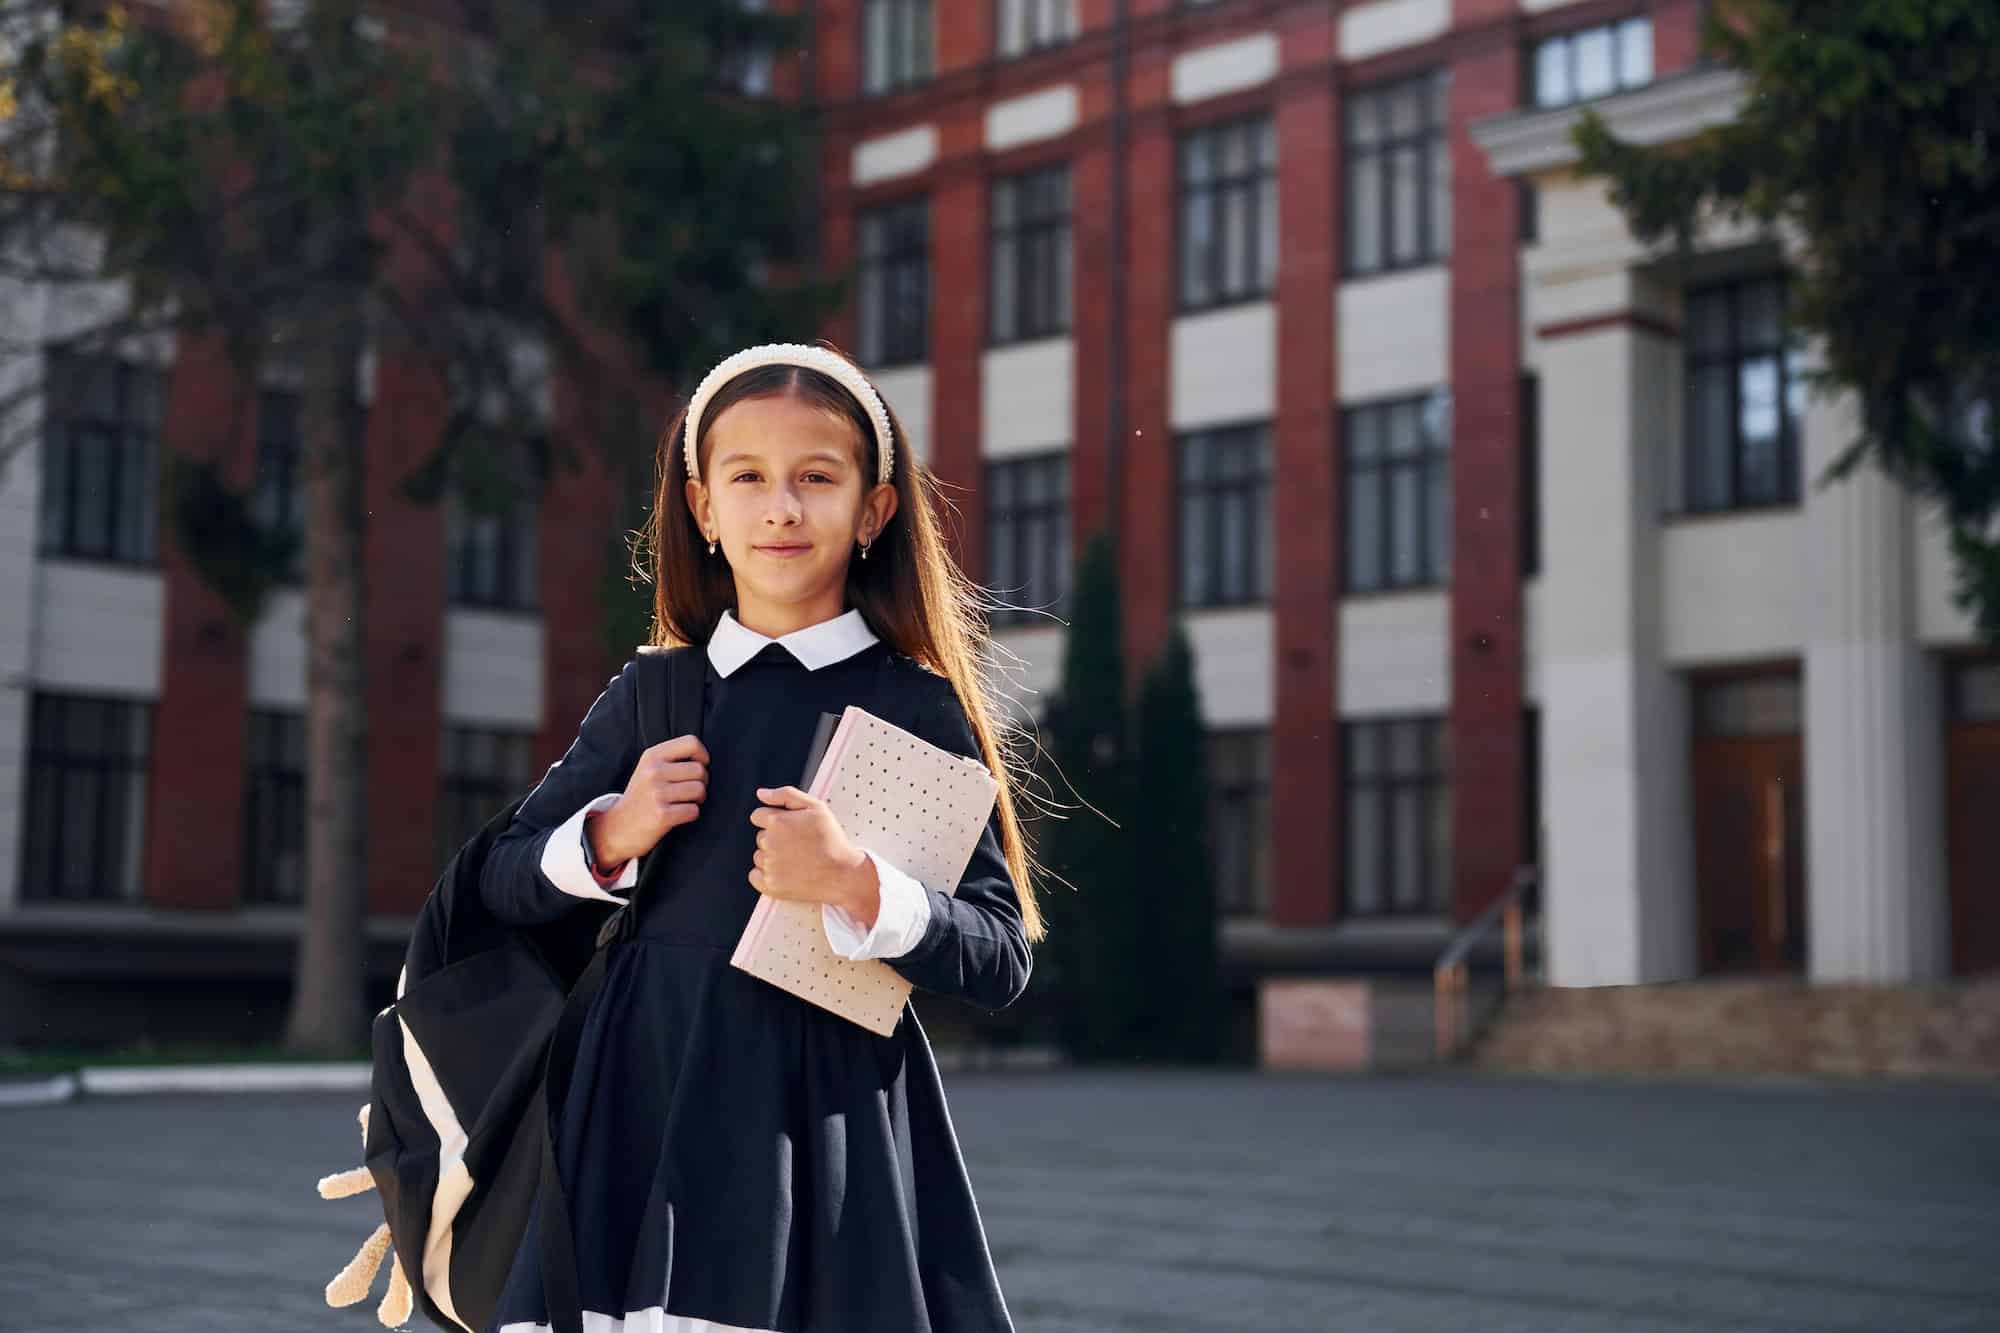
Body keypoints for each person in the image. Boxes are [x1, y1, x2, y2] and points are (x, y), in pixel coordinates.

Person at [480, 342, 1046, 1333]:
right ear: (703, 508)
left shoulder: (913, 706)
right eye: (747, 478)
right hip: (637, 1091)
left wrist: (854, 882)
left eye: (815, 479)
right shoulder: (654, 694)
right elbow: (503, 876)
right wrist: (614, 831)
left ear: (872, 510)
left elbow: (998, 955)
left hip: (812, 1111)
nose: (780, 507)